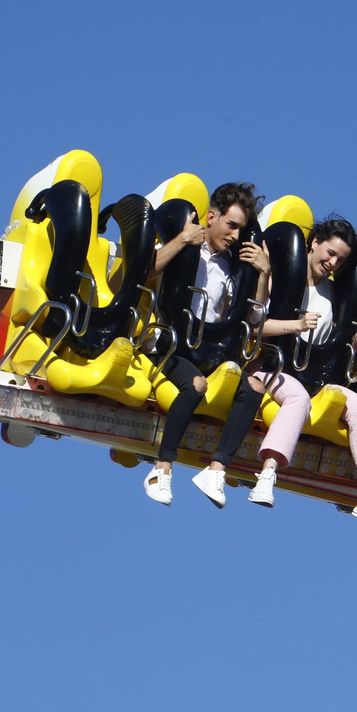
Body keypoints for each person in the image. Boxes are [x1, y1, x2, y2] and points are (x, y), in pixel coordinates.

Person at [210, 216, 357, 529]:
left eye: (341, 260)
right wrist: (293, 321)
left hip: (313, 376)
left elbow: (331, 347)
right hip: (271, 366)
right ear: (315, 242)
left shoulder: (333, 294)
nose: (332, 263)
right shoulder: (283, 277)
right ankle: (267, 474)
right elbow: (254, 327)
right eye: (330, 253)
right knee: (296, 397)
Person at [142, 181, 271, 506]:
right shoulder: (186, 251)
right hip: (170, 346)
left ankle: (216, 469)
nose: (236, 235)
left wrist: (263, 275)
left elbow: (254, 318)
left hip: (210, 349)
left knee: (254, 388)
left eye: (241, 229)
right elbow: (141, 275)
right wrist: (182, 239)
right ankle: (161, 468)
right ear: (211, 217)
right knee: (196, 385)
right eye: (231, 225)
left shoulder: (232, 267)